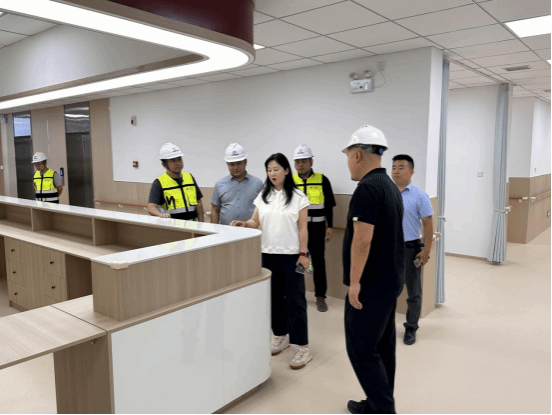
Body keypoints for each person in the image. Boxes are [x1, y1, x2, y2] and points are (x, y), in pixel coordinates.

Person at [342, 126, 405, 415]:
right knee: (383, 345)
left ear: (357, 154)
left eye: (347, 156)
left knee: (361, 348)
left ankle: (383, 410)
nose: (348, 162)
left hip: (371, 285)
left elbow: (362, 240)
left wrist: (355, 282)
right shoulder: (389, 185)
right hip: (390, 280)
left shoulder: (367, 188)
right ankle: (377, 404)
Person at [231, 153, 312, 370]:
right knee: (274, 298)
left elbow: (303, 228)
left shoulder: (299, 197)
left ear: (286, 171)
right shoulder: (263, 196)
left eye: (276, 169)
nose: (272, 173)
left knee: (295, 300)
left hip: (292, 255)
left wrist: (303, 254)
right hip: (267, 253)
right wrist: (245, 224)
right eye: (269, 170)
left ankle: (302, 347)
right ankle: (281, 335)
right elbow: (255, 220)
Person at [392, 155, 434, 346]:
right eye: (394, 167)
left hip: (410, 248)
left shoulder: (419, 196)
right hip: (390, 248)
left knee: (413, 291)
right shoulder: (387, 193)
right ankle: (385, 325)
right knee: (388, 289)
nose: (396, 171)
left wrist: (426, 251)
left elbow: (428, 224)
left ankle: (411, 328)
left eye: (401, 167)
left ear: (411, 172)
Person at [293, 144, 336, 312]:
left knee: (318, 262)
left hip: (317, 229)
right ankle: (296, 295)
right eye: (297, 162)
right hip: (296, 230)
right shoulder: (290, 182)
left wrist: (330, 226)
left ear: (311, 162)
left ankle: (320, 297)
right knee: (296, 262)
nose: (300, 165)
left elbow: (329, 205)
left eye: (304, 161)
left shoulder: (322, 179)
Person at [147, 143, 205, 222]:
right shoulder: (159, 183)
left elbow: (199, 203)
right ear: (164, 164)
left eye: (179, 159)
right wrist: (160, 214)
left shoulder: (189, 178)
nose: (178, 163)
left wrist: (202, 224)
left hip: (192, 225)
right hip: (171, 226)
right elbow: (151, 207)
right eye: (173, 160)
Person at [211, 143, 263, 225]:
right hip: (225, 230)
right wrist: (213, 229)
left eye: (239, 163)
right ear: (227, 164)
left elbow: (262, 209)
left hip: (249, 230)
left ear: (245, 162)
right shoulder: (219, 184)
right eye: (232, 164)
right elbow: (215, 209)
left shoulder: (257, 183)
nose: (235, 167)